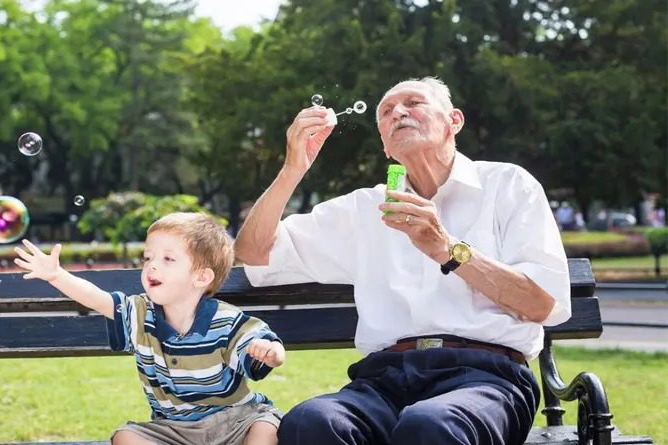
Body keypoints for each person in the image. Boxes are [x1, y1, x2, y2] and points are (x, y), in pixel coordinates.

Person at [235, 77, 571, 445]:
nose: (398, 112)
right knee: (310, 422)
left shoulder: (508, 185)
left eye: (414, 102)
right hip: (384, 379)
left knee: (430, 425)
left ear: (454, 121)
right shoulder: (363, 209)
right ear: (385, 146)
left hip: (487, 377)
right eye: (386, 111)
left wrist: (447, 249)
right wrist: (293, 168)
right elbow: (253, 252)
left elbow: (542, 304)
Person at [14, 212, 286, 445]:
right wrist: (56, 275)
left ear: (201, 276)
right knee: (125, 437)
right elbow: (98, 299)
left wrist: (271, 352)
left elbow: (257, 341)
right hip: (173, 429)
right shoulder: (139, 314)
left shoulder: (225, 320)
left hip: (234, 421)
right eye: (148, 258)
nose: (152, 265)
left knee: (264, 428)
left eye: (168, 259)